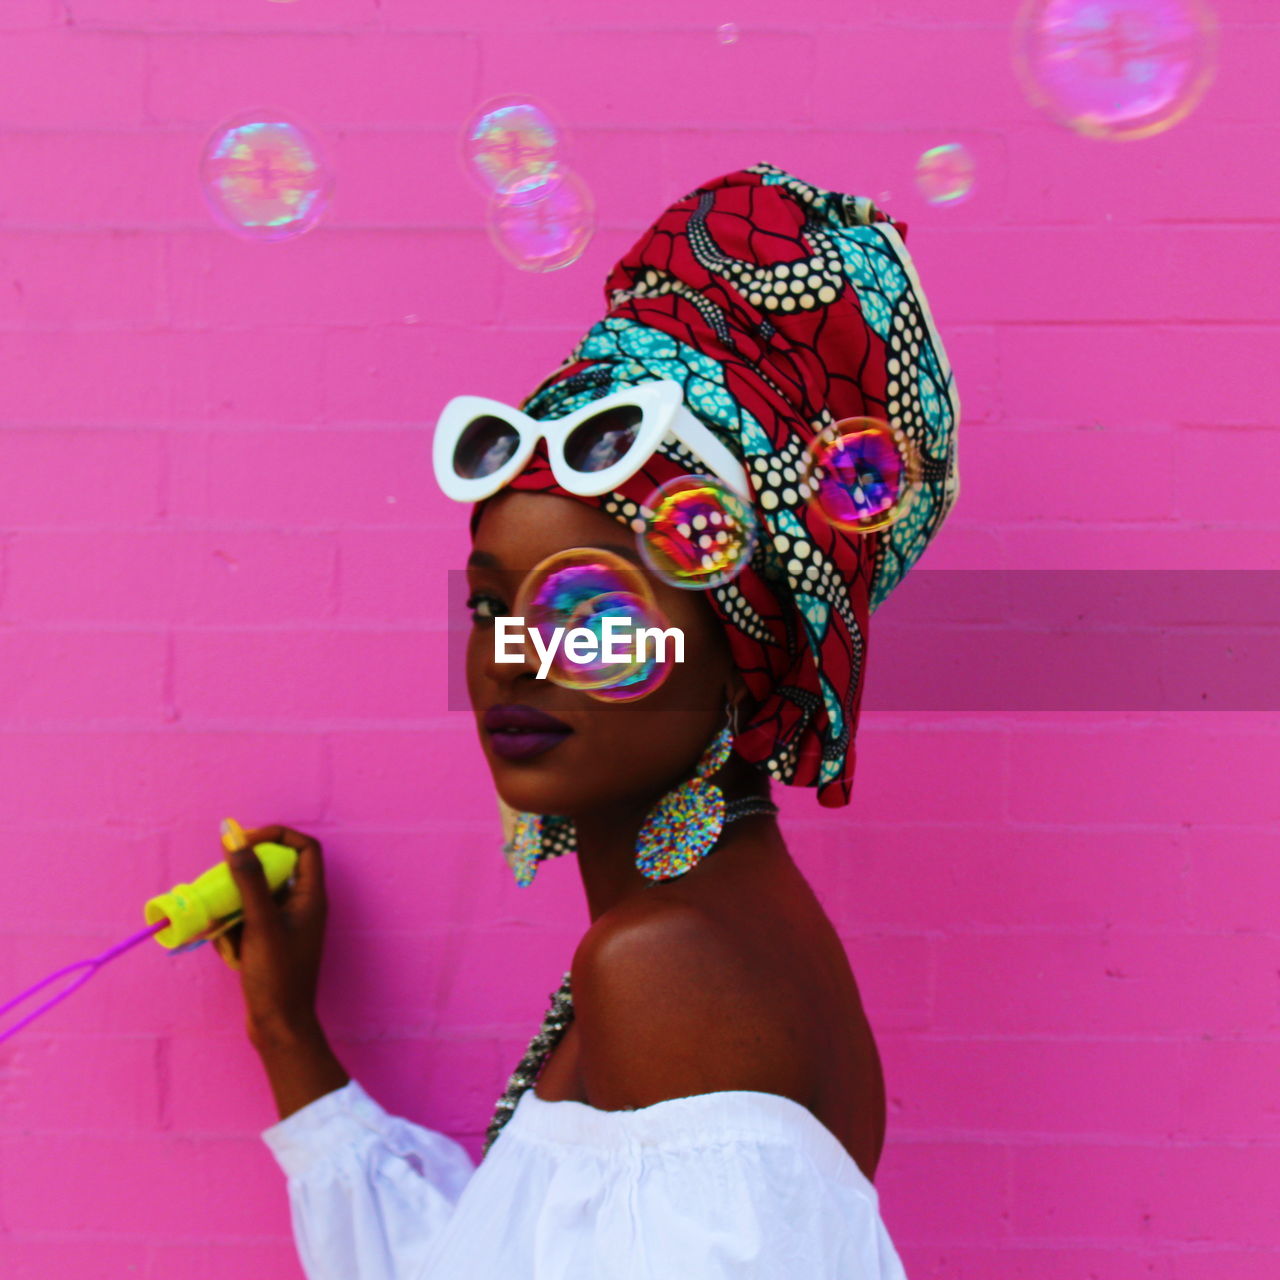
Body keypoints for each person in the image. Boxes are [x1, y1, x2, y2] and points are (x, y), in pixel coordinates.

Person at [213, 161, 961, 1278]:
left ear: (744, 649)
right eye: (490, 602)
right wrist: (287, 1033)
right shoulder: (702, 934)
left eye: (592, 605)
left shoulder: (668, 965)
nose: (516, 652)